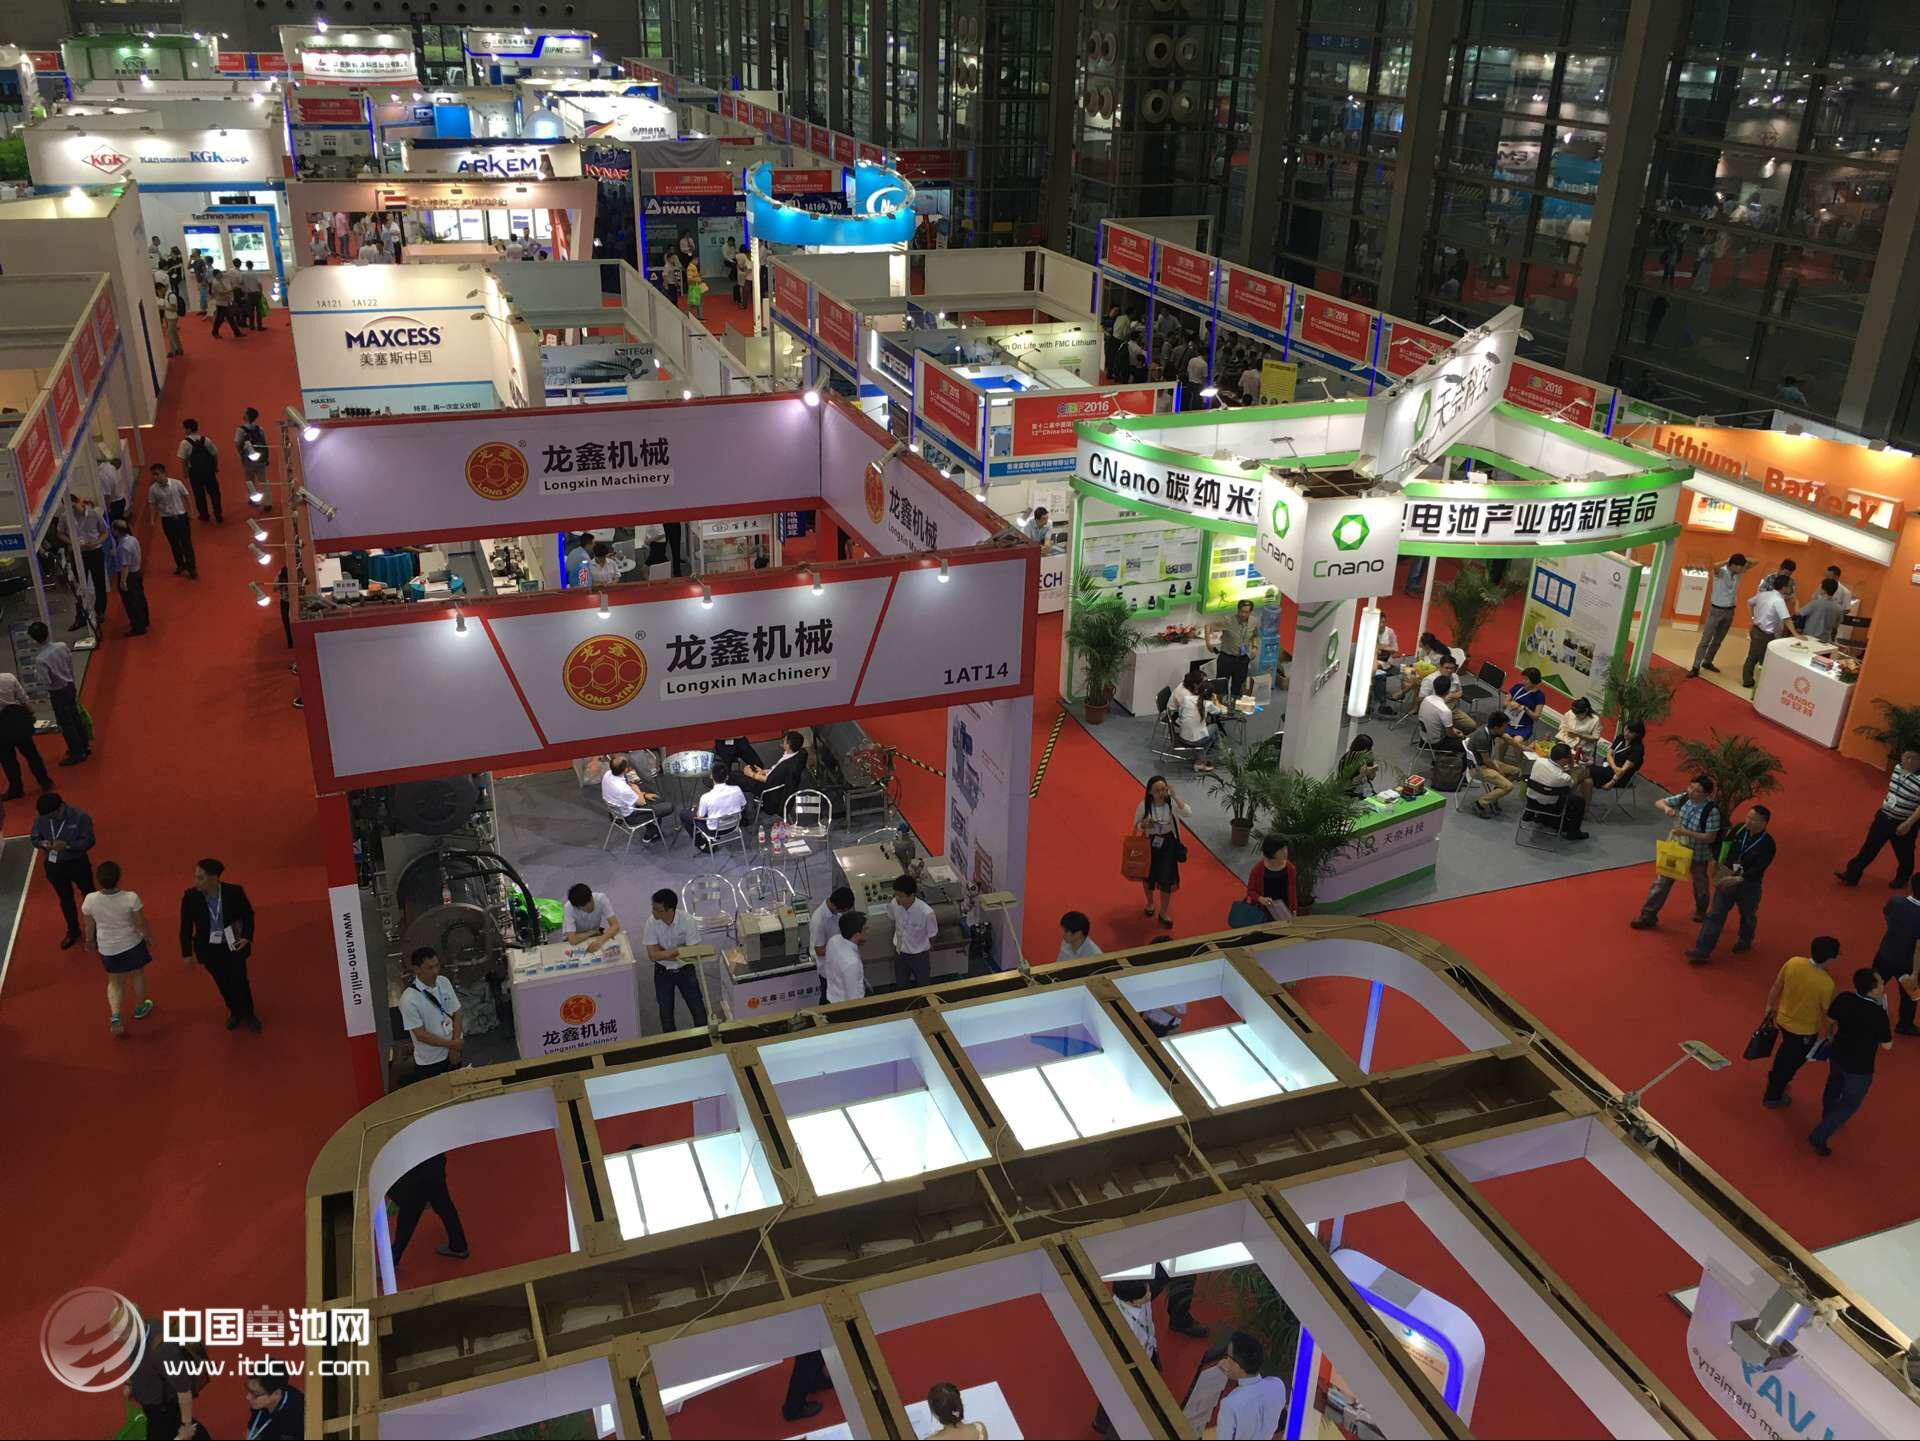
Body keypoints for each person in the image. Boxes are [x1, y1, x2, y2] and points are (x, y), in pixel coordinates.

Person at [1808, 967, 1893, 1155]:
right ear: (1873, 989)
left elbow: (1830, 1019)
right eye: (1880, 983)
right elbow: (1887, 1045)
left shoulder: (1844, 998)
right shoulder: (1878, 1014)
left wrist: (1831, 1035)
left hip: (1838, 1054)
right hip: (1860, 1067)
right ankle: (1820, 1134)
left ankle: (1828, 1115)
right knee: (1850, 1102)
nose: (1883, 985)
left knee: (1833, 1086)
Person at [1631, 776, 1723, 929]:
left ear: (1707, 794)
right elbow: (1659, 802)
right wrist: (1666, 808)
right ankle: (1647, 915)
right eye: (1690, 787)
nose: (1691, 792)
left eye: (1697, 791)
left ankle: (1701, 911)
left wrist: (1686, 832)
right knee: (1661, 883)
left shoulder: (1712, 812)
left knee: (1700, 886)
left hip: (1697, 854)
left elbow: (1710, 837)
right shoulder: (1684, 798)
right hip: (1677, 850)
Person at [1687, 804, 1775, 963]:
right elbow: (1725, 845)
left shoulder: (1768, 844)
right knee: (1715, 914)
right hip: (1727, 876)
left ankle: (1745, 939)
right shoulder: (1739, 829)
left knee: (1747, 916)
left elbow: (1760, 867)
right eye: (1748, 817)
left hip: (1748, 885)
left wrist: (1740, 878)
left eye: (1753, 819)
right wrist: (1716, 861)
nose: (1748, 821)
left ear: (1764, 822)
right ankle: (1702, 950)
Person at [180, 856, 258, 1031]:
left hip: (233, 944)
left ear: (214, 879)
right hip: (208, 949)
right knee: (222, 983)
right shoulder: (191, 897)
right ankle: (234, 1012)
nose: (195, 881)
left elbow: (248, 914)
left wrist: (247, 936)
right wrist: (186, 953)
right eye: (195, 876)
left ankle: (249, 1014)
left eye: (200, 877)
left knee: (241, 981)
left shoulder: (235, 892)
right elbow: (185, 926)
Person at [1760, 937, 1839, 1107]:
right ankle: (1773, 1094)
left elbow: (1777, 985)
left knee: (1786, 1052)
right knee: (1791, 1062)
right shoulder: (1826, 983)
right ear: (1830, 958)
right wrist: (1830, 1033)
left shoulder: (1793, 962)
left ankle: (1776, 1081)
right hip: (1804, 1030)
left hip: (1783, 1019)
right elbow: (1828, 1014)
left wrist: (1770, 1005)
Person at [82, 860, 153, 1039]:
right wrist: (147, 936)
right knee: (137, 974)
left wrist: (89, 941)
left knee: (114, 981)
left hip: (108, 948)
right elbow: (140, 923)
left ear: (98, 879)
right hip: (132, 944)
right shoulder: (131, 898)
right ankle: (140, 1007)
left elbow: (89, 925)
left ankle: (115, 1015)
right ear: (118, 878)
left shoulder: (90, 900)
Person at [1834, 746, 1920, 888]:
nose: (1909, 761)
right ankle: (1851, 874)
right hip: (1884, 817)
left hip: (1903, 823)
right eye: (1907, 757)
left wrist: (1908, 824)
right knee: (1869, 848)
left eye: (1914, 758)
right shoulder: (1898, 768)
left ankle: (1902, 877)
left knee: (1904, 854)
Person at [126, 1308, 209, 1440]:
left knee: (170, 1425)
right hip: (156, 1407)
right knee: (174, 1424)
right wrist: (130, 1383)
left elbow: (184, 1390)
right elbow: (135, 1359)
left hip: (162, 1407)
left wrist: (186, 1426)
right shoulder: (140, 1334)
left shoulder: (162, 1350)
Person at [33, 791, 95, 947]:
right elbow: (34, 838)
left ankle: (97, 928)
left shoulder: (80, 817)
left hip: (77, 863)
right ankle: (73, 930)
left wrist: (67, 845)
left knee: (90, 896)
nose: (48, 819)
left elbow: (89, 841)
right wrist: (42, 843)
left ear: (60, 808)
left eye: (51, 816)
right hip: (54, 866)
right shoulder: (42, 818)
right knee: (65, 899)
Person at [389, 1149, 470, 1262]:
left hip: (419, 1171)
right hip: (434, 1163)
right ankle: (459, 1245)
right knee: (443, 1205)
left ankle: (391, 1261)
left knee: (407, 1217)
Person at [645, 888, 708, 1030]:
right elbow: (652, 955)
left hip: (685, 969)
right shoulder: (651, 922)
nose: (653, 912)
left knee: (698, 1009)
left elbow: (692, 954)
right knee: (665, 1014)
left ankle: (704, 1040)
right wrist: (679, 950)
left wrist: (663, 951)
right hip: (662, 971)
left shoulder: (687, 920)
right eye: (653, 908)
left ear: (670, 910)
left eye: (658, 910)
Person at [1133, 775, 1193, 926]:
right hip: (1150, 843)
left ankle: (1164, 912)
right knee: (1148, 877)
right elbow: (1136, 826)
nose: (1161, 793)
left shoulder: (1171, 803)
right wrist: (1144, 825)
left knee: (1167, 879)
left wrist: (1175, 796)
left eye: (1163, 789)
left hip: (1168, 845)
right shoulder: (1143, 805)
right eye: (1157, 790)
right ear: (1150, 792)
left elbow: (1188, 813)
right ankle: (1150, 902)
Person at [1207, 1332, 1288, 1440]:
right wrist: (1237, 1374)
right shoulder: (1277, 1384)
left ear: (1237, 1366)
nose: (1225, 1360)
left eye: (1228, 1356)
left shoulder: (1229, 1405)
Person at [400, 946, 463, 1081]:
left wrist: (455, 1045)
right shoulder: (409, 999)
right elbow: (421, 1035)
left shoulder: (443, 982)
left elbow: (457, 1013)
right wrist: (452, 1045)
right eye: (430, 968)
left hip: (454, 1051)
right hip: (431, 1062)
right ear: (416, 969)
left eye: (437, 966)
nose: (435, 971)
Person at [27, 622, 87, 765]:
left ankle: (77, 752)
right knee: (75, 716)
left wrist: (36, 674)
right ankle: (84, 745)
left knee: (66, 723)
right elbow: (69, 663)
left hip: (58, 693)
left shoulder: (41, 659)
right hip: (70, 685)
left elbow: (45, 681)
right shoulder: (62, 646)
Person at [1870, 875, 1920, 1034]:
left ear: (1911, 886)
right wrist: (1915, 974)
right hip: (1908, 963)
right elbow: (1918, 949)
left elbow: (1887, 914)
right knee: (1910, 996)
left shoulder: (1896, 901)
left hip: (1885, 954)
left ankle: (1866, 1017)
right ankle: (1904, 1025)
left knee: (1872, 986)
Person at [1689, 553, 1748, 675]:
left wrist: (1741, 559)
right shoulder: (1722, 572)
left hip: (1730, 611)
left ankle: (1708, 661)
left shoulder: (1738, 574)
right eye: (1740, 566)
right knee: (1706, 639)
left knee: (1718, 640)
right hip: (1716, 610)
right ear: (1733, 565)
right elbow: (1715, 566)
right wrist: (1728, 560)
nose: (1742, 569)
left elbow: (1754, 562)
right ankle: (1695, 666)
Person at [1742, 574, 1798, 687]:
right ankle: (1755, 683)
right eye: (1790, 586)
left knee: (1753, 656)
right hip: (1765, 635)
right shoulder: (1779, 600)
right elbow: (1786, 619)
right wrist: (1796, 634)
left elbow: (1749, 602)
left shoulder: (1764, 594)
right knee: (1762, 660)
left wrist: (1752, 618)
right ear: (1784, 587)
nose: (1791, 588)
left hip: (1756, 630)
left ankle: (1748, 680)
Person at [0, 671, 50, 798]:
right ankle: (44, 781)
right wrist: (31, 713)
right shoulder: (8, 677)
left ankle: (16, 788)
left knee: (8, 759)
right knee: (31, 754)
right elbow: (23, 698)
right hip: (16, 720)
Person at [739, 729, 807, 817]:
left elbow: (770, 780)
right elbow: (775, 771)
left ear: (788, 745)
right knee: (752, 767)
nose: (783, 741)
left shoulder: (786, 766)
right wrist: (763, 771)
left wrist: (751, 774)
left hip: (769, 790)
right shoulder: (797, 755)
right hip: (774, 780)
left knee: (737, 778)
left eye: (784, 740)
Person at [146, 462, 198, 578]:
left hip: (181, 517)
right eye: (153, 475)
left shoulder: (176, 483)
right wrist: (152, 519)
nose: (155, 477)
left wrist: (191, 511)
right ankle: (180, 564)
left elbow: (186, 496)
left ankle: (191, 567)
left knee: (186, 543)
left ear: (164, 473)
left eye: (157, 474)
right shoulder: (153, 489)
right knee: (174, 544)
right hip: (167, 520)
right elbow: (152, 504)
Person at [1464, 712, 1519, 817]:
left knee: (1516, 771)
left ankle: (1494, 796)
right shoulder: (1482, 738)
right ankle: (1480, 804)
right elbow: (1487, 761)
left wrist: (1524, 748)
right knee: (1508, 786)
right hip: (1478, 768)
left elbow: (1507, 738)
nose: (1506, 730)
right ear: (1496, 727)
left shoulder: (1490, 729)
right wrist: (1500, 772)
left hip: (1487, 763)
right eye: (1505, 727)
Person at [1529, 742, 1589, 839]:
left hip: (1532, 801)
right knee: (1579, 801)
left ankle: (1542, 818)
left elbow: (1549, 774)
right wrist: (1572, 767)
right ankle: (1574, 833)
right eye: (1569, 757)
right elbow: (1573, 784)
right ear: (1563, 759)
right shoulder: (1563, 777)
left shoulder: (1538, 761)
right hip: (1549, 806)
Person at [680, 764, 747, 850]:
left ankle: (701, 844)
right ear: (727, 777)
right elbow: (743, 805)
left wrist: (695, 810)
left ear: (711, 776)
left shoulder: (706, 797)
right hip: (734, 826)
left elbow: (700, 816)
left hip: (714, 831)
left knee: (684, 814)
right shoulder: (737, 789)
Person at [1171, 664, 1225, 768]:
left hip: (1182, 736)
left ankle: (1200, 760)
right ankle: (1220, 753)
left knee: (1211, 735)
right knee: (1214, 728)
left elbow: (1181, 714)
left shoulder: (1187, 699)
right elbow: (1219, 711)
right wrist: (1216, 704)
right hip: (1195, 740)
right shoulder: (1207, 704)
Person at [888, 874, 937, 989]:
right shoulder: (894, 904)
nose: (897, 899)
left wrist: (922, 948)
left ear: (911, 895)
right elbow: (893, 918)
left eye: (901, 896)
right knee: (901, 985)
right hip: (900, 952)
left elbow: (932, 935)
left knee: (924, 986)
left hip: (919, 956)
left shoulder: (926, 913)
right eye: (896, 895)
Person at [70, 495, 110, 633]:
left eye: (74, 505)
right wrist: (72, 543)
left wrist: (96, 542)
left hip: (95, 551)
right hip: (79, 554)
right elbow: (60, 533)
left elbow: (105, 532)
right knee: (79, 586)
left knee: (99, 582)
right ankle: (80, 616)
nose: (73, 509)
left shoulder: (93, 514)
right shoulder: (65, 517)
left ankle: (100, 611)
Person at [601, 755, 666, 835]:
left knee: (647, 792)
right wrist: (637, 790)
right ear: (625, 770)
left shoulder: (607, 774)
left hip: (616, 811)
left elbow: (629, 788)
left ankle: (652, 830)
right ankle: (651, 833)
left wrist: (644, 794)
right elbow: (641, 802)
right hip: (631, 817)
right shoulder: (623, 789)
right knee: (666, 806)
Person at [1207, 598, 1257, 698]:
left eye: (1246, 612)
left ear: (1250, 612)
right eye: (1241, 611)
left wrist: (1255, 647)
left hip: (1243, 659)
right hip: (1227, 658)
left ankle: (1234, 704)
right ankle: (1220, 705)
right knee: (1221, 687)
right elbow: (1208, 626)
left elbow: (1254, 634)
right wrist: (1208, 643)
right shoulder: (1228, 620)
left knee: (1238, 687)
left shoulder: (1253, 621)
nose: (1243, 614)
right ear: (1238, 610)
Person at [1499, 666, 1547, 768]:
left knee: (1517, 741)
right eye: (1523, 678)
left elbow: (1536, 717)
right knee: (1503, 741)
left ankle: (1518, 766)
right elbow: (1504, 704)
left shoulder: (1539, 696)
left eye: (1526, 679)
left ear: (1534, 681)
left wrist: (1525, 708)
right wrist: (1511, 704)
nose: (1523, 681)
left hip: (1524, 726)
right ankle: (1500, 761)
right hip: (1509, 722)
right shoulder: (1517, 687)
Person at [243, 1361, 306, 1438]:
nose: (248, 1397)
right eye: (249, 1390)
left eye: (255, 1394)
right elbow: (253, 1434)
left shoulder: (299, 1413)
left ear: (276, 1393)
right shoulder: (259, 1405)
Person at [178, 419, 223, 523]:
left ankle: (204, 514)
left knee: (199, 494)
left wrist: (185, 473)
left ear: (188, 429)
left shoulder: (185, 443)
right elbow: (214, 454)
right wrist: (215, 466)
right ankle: (218, 512)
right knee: (214, 492)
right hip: (208, 470)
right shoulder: (206, 440)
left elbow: (183, 460)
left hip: (195, 472)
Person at [110, 518, 149, 637]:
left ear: (117, 531)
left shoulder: (123, 546)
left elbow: (125, 566)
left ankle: (138, 626)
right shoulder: (132, 539)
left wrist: (123, 582)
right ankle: (144, 620)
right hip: (136, 572)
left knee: (131, 602)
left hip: (129, 576)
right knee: (140, 598)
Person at [1591, 718, 1645, 800]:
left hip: (1621, 777)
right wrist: (1614, 767)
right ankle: (1585, 806)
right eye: (1626, 729)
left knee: (1587, 771)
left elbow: (1622, 770)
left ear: (1637, 734)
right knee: (1587, 780)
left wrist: (1611, 782)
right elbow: (1609, 754)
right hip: (1611, 768)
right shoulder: (1620, 738)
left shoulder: (1637, 749)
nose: (1626, 733)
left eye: (1630, 732)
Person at [822, 909, 869, 1003]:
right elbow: (854, 998)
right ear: (856, 935)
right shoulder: (851, 962)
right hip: (845, 1004)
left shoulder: (833, 940)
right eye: (865, 929)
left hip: (832, 996)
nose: (867, 931)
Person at [1246, 835, 1295, 920]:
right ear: (1272, 852)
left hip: (1283, 911)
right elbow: (1250, 890)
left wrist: (1293, 910)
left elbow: (1292, 892)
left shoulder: (1290, 868)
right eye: (1281, 850)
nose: (1285, 852)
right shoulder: (1258, 869)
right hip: (1263, 911)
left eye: (1286, 849)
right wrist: (1261, 899)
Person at [562, 883, 622, 952]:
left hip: (594, 934)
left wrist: (599, 941)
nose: (589, 909)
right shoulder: (568, 908)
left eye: (591, 902)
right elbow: (573, 940)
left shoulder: (601, 898)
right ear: (578, 907)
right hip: (578, 936)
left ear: (591, 897)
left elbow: (616, 926)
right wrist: (592, 932)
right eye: (584, 908)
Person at [236, 406, 272, 511]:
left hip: (248, 460)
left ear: (247, 416)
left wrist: (241, 454)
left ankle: (255, 501)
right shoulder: (259, 429)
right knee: (264, 481)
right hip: (261, 459)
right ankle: (268, 503)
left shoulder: (240, 430)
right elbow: (264, 444)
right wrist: (266, 457)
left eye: (245, 413)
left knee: (250, 481)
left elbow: (237, 444)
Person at [810, 887, 856, 964]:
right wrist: (843, 947)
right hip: (827, 964)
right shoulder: (818, 921)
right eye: (844, 910)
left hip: (838, 958)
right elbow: (819, 951)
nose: (844, 912)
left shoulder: (835, 908)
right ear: (835, 906)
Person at [1419, 673, 1466, 747]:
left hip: (1424, 736)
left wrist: (1452, 729)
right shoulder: (1445, 711)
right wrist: (1460, 735)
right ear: (1448, 691)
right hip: (1436, 742)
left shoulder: (1426, 699)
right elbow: (1450, 734)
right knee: (1467, 743)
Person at [1559, 697, 1603, 771]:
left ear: (1586, 710)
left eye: (1579, 715)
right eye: (1575, 714)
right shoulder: (1570, 713)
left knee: (1576, 770)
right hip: (1566, 745)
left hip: (1583, 750)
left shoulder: (1595, 719)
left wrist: (1580, 735)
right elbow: (1562, 726)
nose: (1576, 716)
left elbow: (1596, 738)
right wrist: (1567, 731)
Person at [1796, 576, 1844, 644]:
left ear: (1823, 590)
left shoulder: (1815, 603)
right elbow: (1836, 625)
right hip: (1825, 640)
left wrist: (1796, 602)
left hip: (1810, 638)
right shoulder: (1839, 608)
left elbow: (1798, 613)